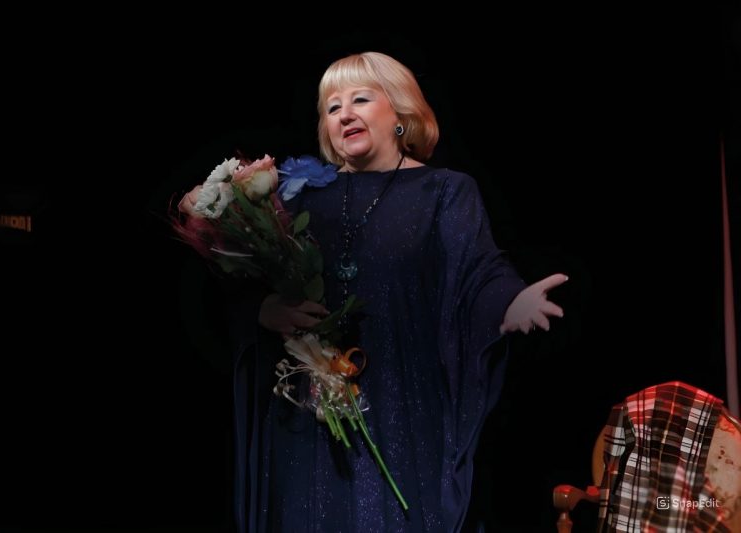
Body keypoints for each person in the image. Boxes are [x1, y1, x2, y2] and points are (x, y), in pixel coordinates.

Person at [181, 51, 567, 532]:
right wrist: (263, 309)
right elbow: (235, 285)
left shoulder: (443, 191)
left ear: (400, 113)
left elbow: (478, 269)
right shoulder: (299, 197)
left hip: (402, 406)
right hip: (308, 414)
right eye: (332, 107)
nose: (344, 113)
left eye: (360, 99)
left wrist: (510, 301)